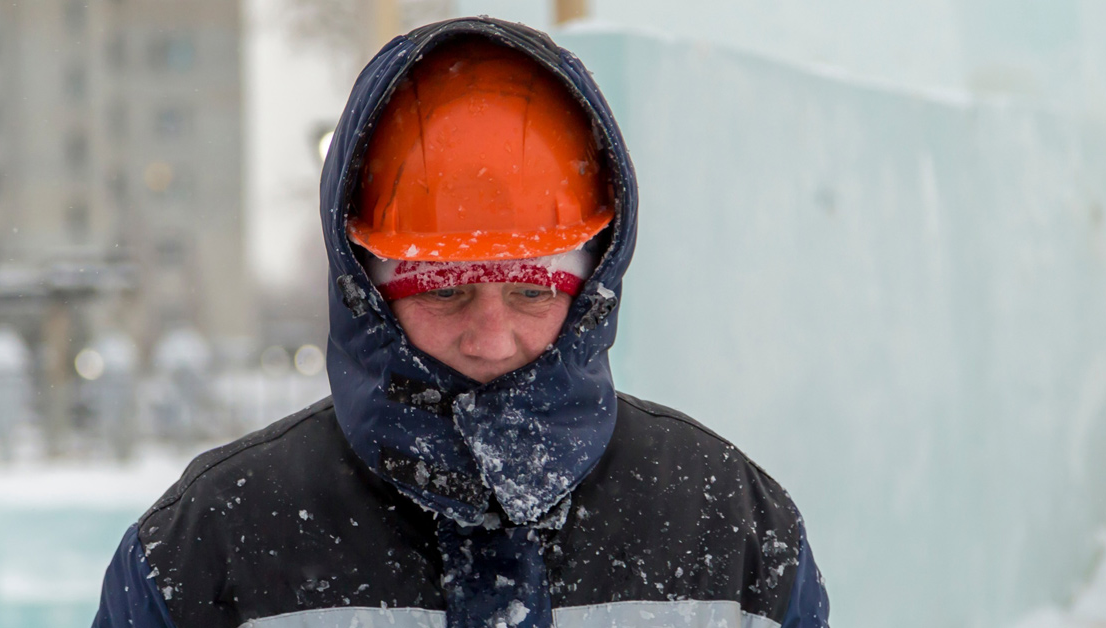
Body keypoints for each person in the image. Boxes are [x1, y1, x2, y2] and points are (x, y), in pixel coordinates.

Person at [93, 16, 830, 628]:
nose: (491, 338)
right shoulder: (211, 548)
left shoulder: (731, 533)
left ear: (592, 287)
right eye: (444, 290)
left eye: (532, 292)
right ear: (367, 289)